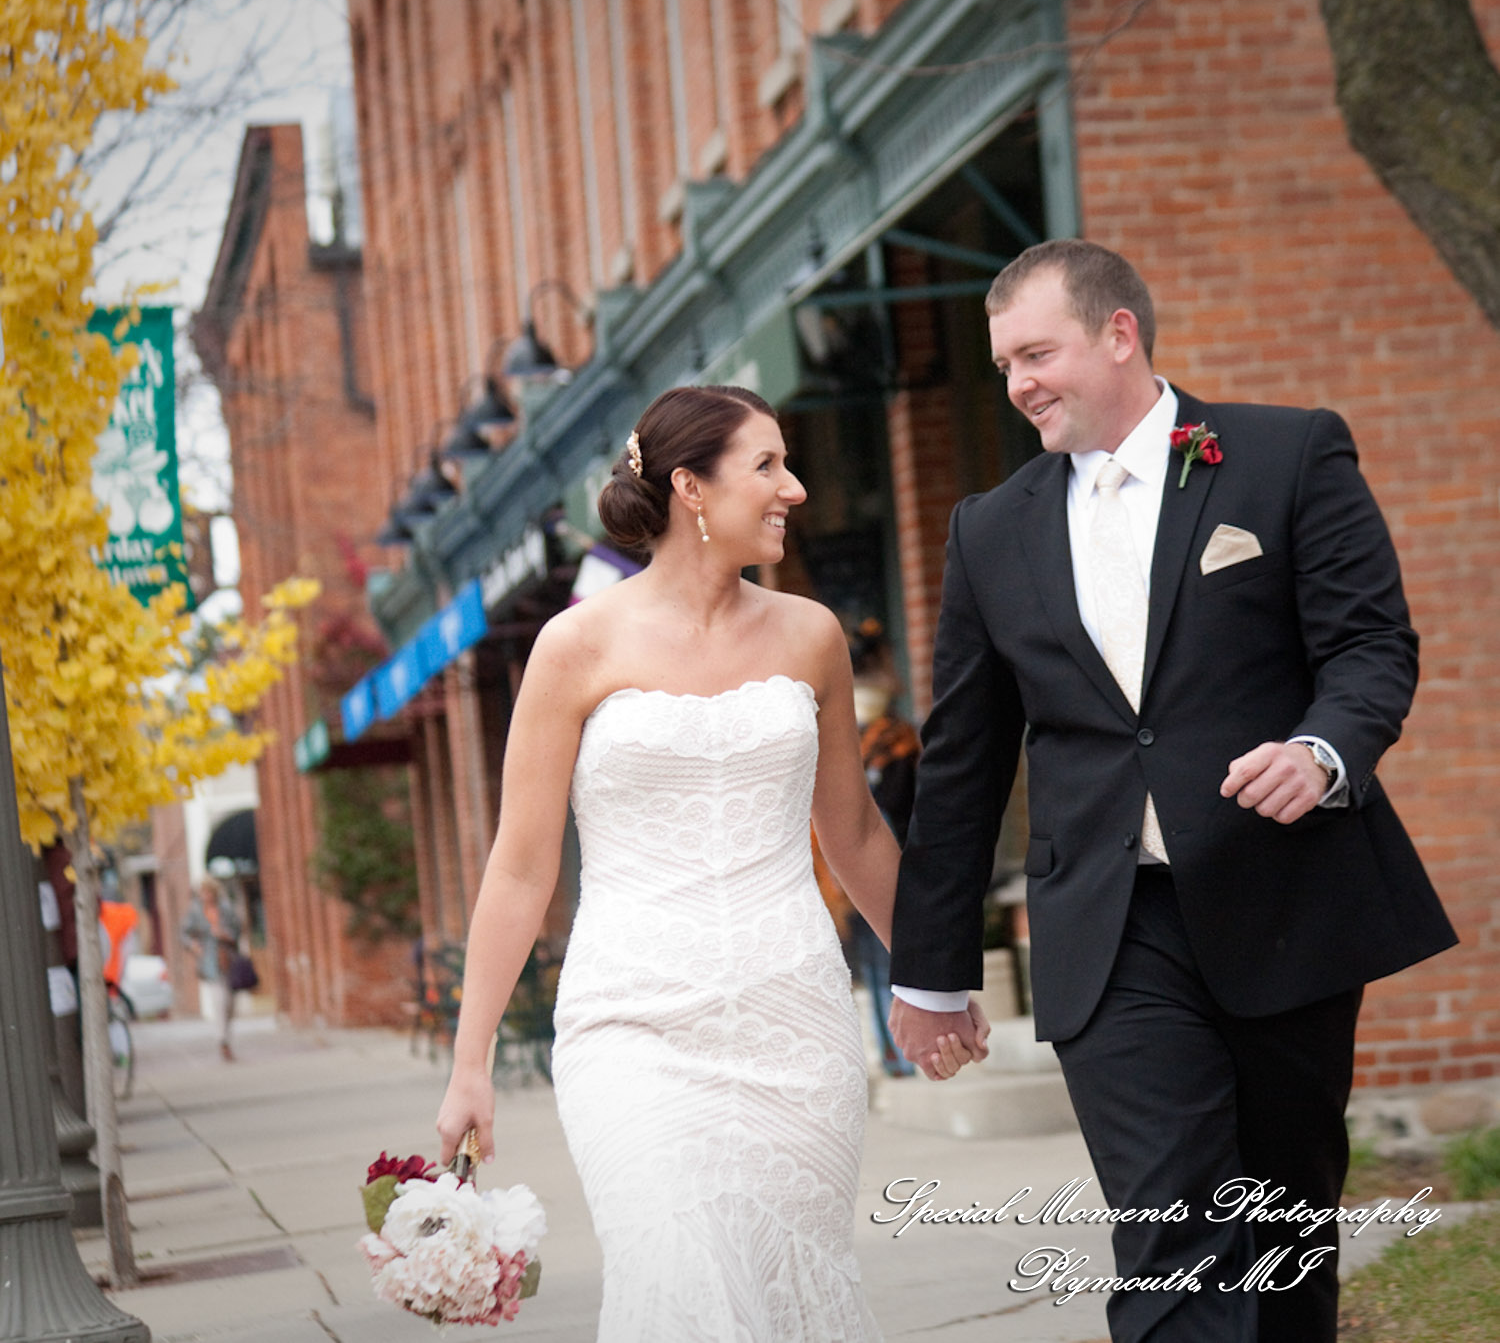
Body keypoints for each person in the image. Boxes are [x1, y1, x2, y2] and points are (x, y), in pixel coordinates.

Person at [888, 240, 1457, 1343]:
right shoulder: (990, 529)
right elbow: (962, 760)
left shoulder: (1284, 455)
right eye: (1003, 364)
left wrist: (1323, 751)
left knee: (1285, 1222)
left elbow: (1371, 647)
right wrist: (931, 968)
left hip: (1281, 901)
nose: (1018, 386)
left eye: (1036, 353)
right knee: (1170, 1235)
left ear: (1118, 333)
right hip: (1109, 925)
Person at [435, 385, 983, 1341]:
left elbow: (852, 834)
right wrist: (468, 1061)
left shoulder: (810, 636)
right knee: (677, 1275)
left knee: (786, 1292)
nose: (796, 489)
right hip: (631, 1024)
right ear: (691, 485)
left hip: (794, 1026)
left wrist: (933, 977)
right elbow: (521, 870)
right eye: (767, 466)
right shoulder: (575, 646)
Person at [846, 620, 919, 1078]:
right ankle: (898, 1052)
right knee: (885, 956)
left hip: (873, 854)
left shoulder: (884, 739)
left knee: (879, 960)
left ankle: (897, 1052)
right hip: (883, 853)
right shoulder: (891, 737)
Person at [181, 880, 243, 1061]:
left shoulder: (226, 908)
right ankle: (222, 1040)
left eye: (208, 892)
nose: (206, 896)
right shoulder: (195, 911)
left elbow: (238, 930)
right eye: (203, 892)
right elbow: (184, 933)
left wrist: (225, 934)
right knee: (220, 1001)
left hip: (228, 960)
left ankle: (226, 1036)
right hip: (210, 963)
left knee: (230, 1005)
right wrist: (193, 945)